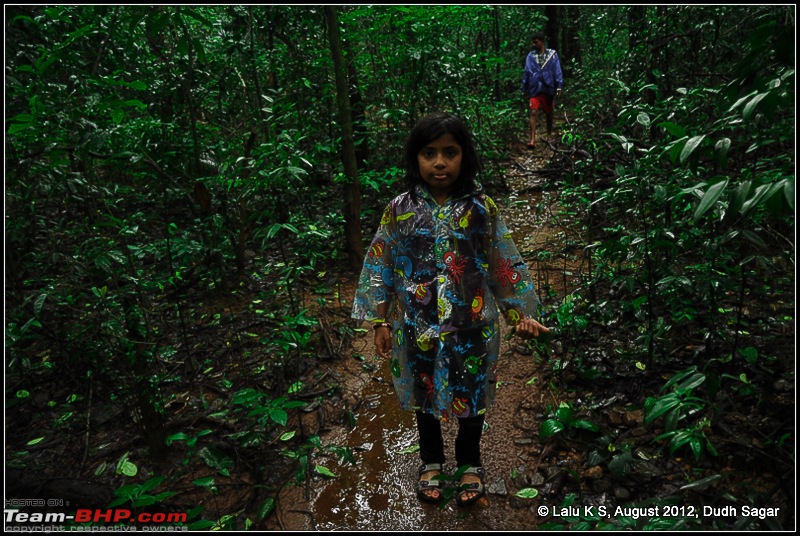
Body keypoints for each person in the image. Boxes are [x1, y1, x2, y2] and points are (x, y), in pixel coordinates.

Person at [352, 112, 549, 507]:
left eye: (450, 152)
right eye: (429, 153)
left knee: (471, 396)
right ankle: (431, 462)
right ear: (415, 157)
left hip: (471, 327)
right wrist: (378, 320)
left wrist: (518, 313)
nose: (439, 162)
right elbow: (381, 263)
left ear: (464, 156)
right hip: (416, 326)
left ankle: (470, 463)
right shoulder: (399, 209)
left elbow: (500, 264)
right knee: (424, 396)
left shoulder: (481, 208)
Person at [521, 31, 564, 147]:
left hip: (547, 87)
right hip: (534, 88)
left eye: (536, 42)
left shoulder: (552, 55)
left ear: (542, 42)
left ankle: (549, 135)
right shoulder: (531, 56)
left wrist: (559, 85)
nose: (534, 45)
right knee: (533, 111)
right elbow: (527, 71)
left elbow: (557, 70)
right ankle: (532, 140)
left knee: (548, 112)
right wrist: (524, 87)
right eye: (533, 43)